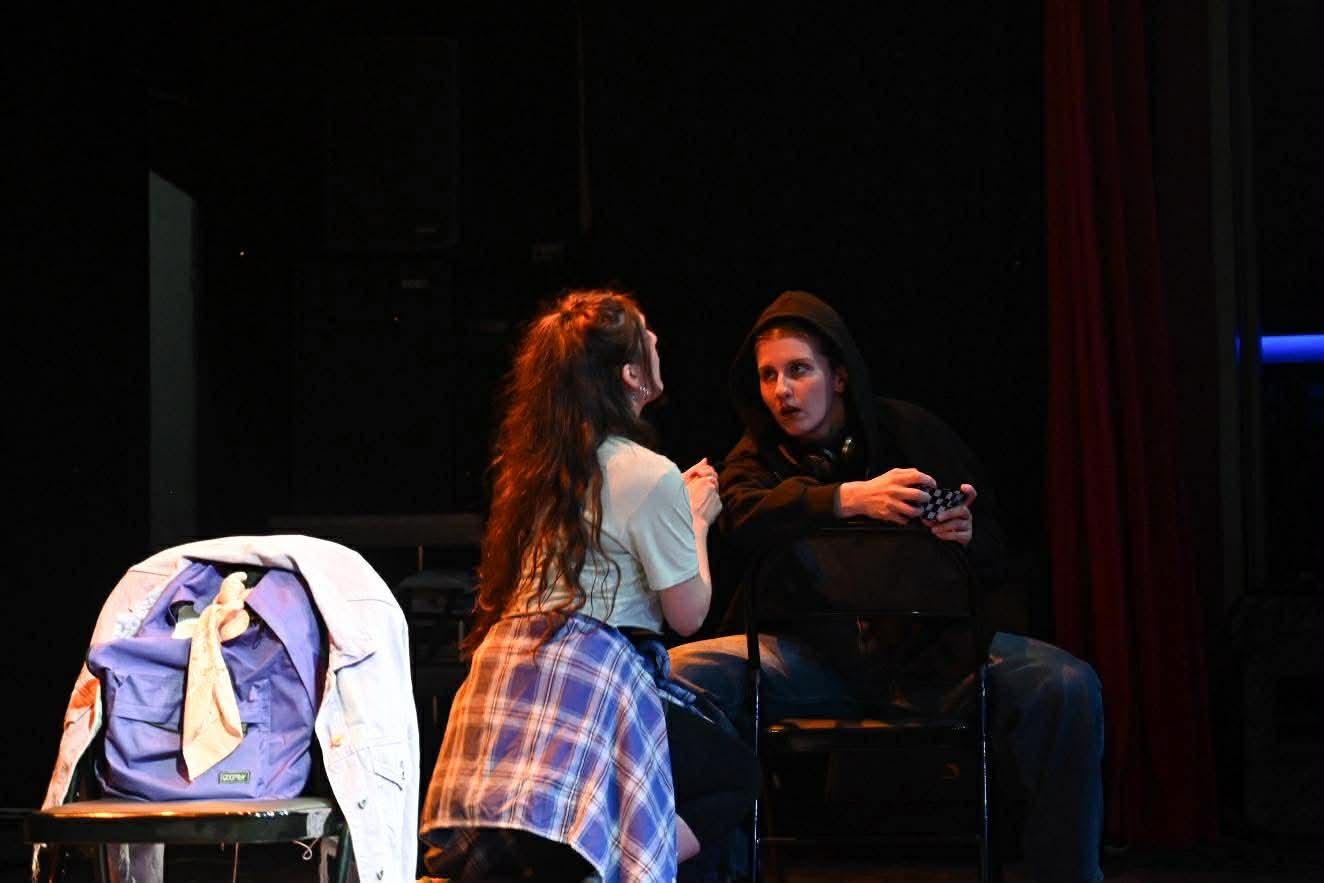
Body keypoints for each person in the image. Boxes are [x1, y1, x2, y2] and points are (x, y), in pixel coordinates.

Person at [669, 290, 1104, 883]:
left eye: (799, 370)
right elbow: (742, 514)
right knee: (682, 673)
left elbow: (995, 545)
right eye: (769, 376)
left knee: (1066, 686)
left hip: (932, 661)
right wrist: (849, 498)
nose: (782, 391)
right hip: (810, 664)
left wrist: (964, 532)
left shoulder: (910, 431)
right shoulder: (756, 457)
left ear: (839, 376)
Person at [420, 290, 759, 883]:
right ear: (630, 373)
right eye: (646, 336)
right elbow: (687, 614)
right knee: (734, 776)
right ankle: (613, 867)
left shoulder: (536, 469)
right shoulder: (648, 474)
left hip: (508, 680)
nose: (657, 341)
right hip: (586, 681)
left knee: (547, 835)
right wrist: (697, 520)